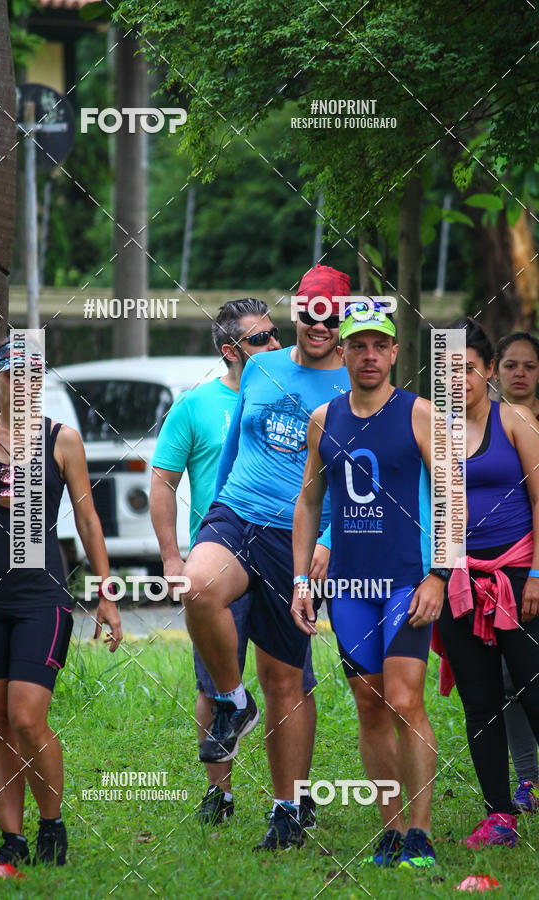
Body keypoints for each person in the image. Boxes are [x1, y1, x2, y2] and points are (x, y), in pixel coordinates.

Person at [182, 264, 351, 851]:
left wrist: (327, 540)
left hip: (296, 537)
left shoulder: (354, 387)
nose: (317, 325)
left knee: (285, 678)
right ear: (297, 314)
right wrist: (210, 518)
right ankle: (232, 700)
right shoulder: (261, 367)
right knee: (198, 587)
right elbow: (232, 450)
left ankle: (287, 811)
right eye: (308, 313)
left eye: (329, 315)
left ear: (344, 318)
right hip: (236, 512)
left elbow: (350, 478)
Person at [0, 338, 122, 876]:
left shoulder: (61, 440)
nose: (23, 384)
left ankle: (52, 823)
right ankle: (12, 840)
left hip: (42, 594)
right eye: (13, 373)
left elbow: (88, 521)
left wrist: (107, 593)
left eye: (33, 375)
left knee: (26, 717)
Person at [291, 303, 450, 869]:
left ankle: (421, 833)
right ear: (343, 352)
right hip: (351, 588)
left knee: (406, 700)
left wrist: (440, 574)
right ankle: (391, 828)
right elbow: (309, 502)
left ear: (395, 352)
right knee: (370, 704)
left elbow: (452, 500)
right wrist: (300, 580)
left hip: (408, 580)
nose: (369, 356)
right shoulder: (323, 418)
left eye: (379, 346)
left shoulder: (420, 413)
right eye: (358, 345)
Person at [149, 298, 281, 825]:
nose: (276, 345)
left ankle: (290, 797)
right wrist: (170, 558)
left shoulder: (289, 398)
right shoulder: (196, 405)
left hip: (278, 553)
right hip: (216, 556)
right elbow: (162, 481)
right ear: (231, 351)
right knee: (214, 685)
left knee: (287, 680)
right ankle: (219, 793)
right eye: (262, 339)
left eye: (276, 334)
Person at [435, 318, 539, 848]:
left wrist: (538, 573)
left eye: (469, 369)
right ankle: (500, 815)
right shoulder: (434, 430)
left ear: (489, 370)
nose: (459, 380)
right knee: (479, 700)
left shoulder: (515, 419)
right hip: (459, 577)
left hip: (520, 574)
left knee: (533, 685)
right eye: (449, 370)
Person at [495, 331, 539, 812]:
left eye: (529, 365)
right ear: (496, 371)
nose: (520, 373)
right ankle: (528, 780)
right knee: (510, 681)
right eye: (510, 365)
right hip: (505, 576)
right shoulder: (476, 427)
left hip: (536, 568)